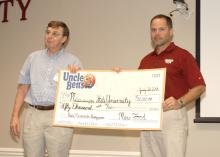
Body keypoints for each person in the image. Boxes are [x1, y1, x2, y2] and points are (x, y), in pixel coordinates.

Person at [10, 21, 82, 157]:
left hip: (59, 116)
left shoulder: (73, 62)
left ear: (64, 39)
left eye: (55, 34)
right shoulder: (32, 58)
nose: (49, 36)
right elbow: (22, 88)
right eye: (48, 32)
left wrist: (76, 77)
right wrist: (14, 116)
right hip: (33, 114)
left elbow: (80, 95)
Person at [139, 14, 206, 157]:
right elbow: (135, 87)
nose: (157, 33)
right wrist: (118, 75)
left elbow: (199, 87)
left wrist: (180, 102)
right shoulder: (146, 60)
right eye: (153, 30)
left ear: (171, 31)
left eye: (161, 29)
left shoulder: (183, 56)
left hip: (171, 116)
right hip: (147, 116)